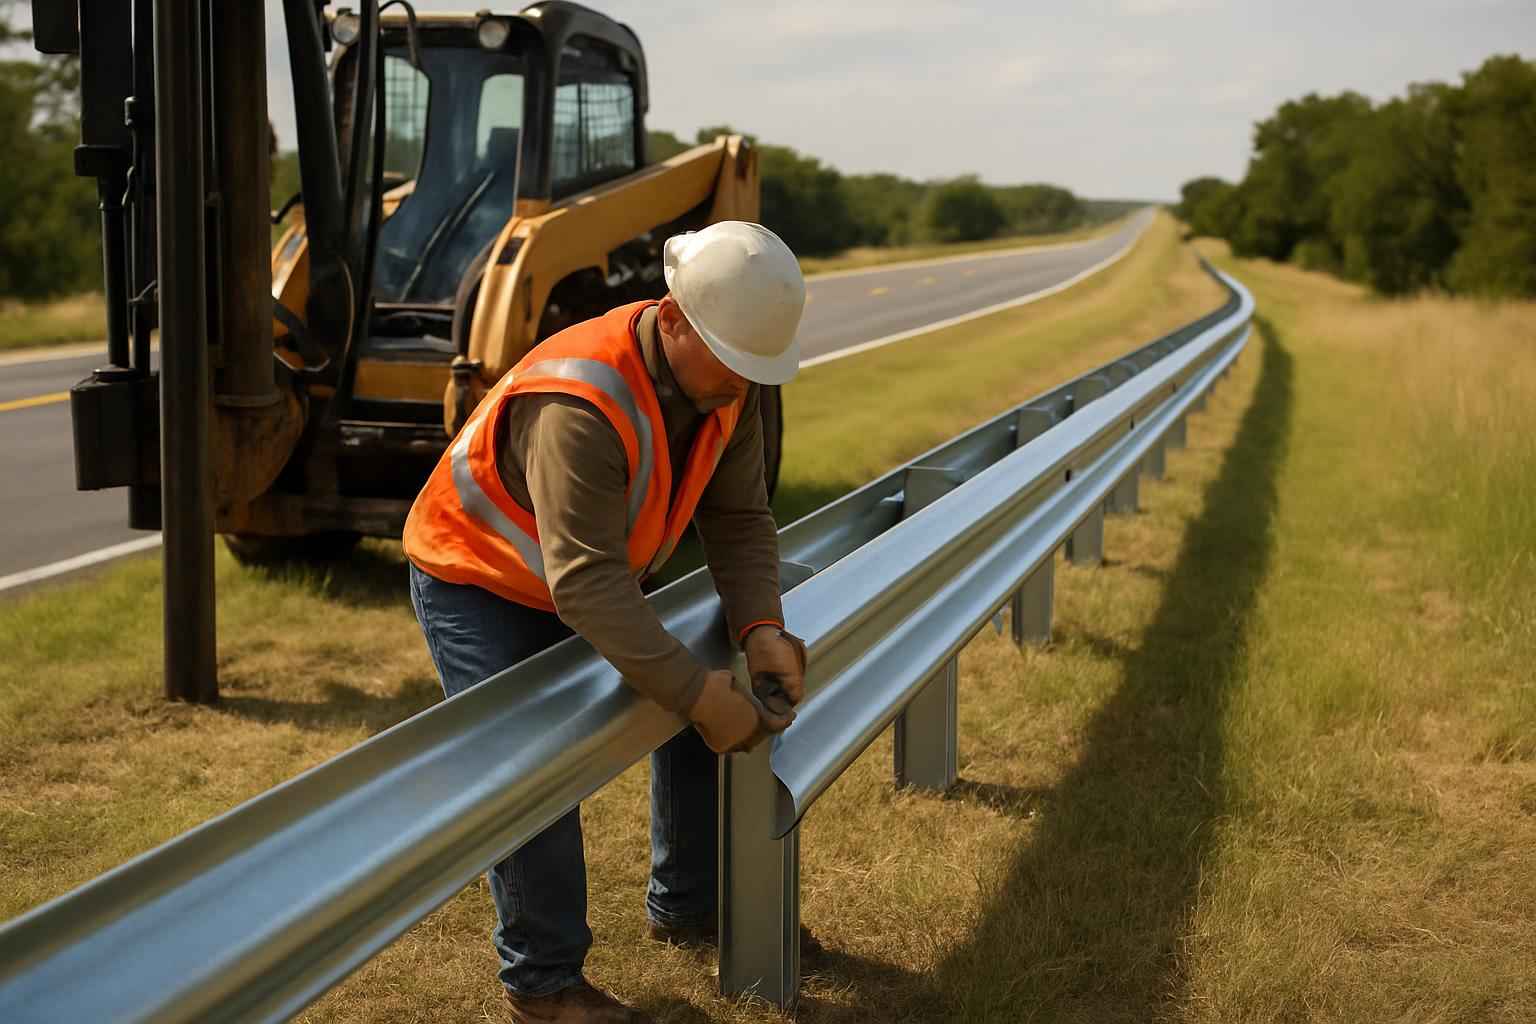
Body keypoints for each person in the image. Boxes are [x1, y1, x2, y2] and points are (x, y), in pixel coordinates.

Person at [403, 221, 811, 1023]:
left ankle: (689, 907)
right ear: (673, 320)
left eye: (753, 371)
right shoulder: (582, 398)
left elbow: (738, 518)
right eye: (730, 364)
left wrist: (762, 625)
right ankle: (546, 986)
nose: (740, 385)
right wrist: (696, 693)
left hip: (590, 575)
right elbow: (586, 586)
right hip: (478, 577)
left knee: (710, 695)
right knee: (535, 764)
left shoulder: (731, 385)